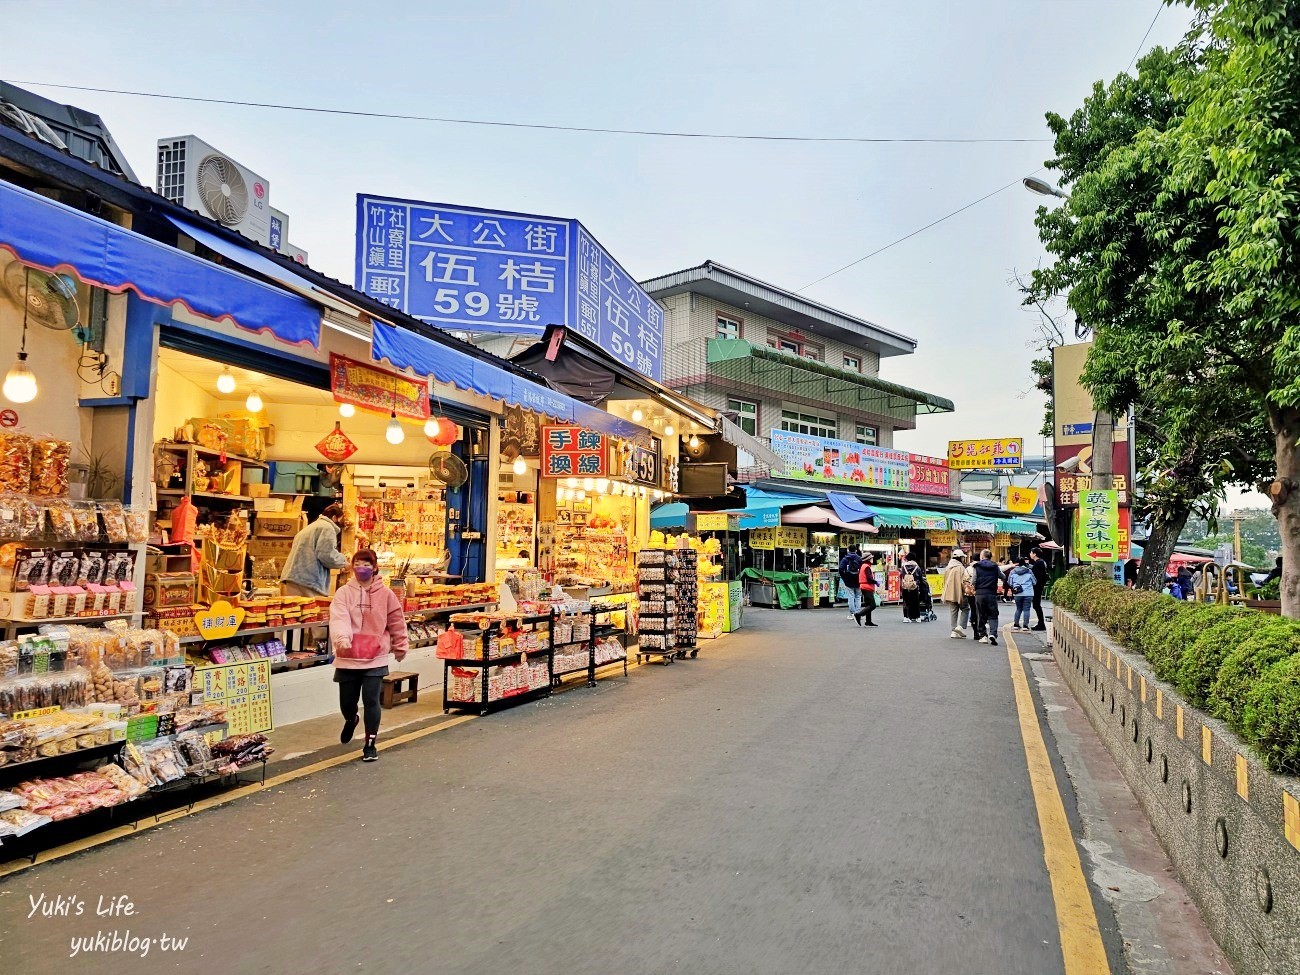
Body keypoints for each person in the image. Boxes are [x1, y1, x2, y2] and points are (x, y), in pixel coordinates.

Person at [329, 549, 409, 762]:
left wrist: (400, 646)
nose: (361, 568)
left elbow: (396, 621)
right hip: (348, 655)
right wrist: (342, 639)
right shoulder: (343, 593)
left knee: (372, 701)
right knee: (347, 702)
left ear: (375, 567)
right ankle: (350, 719)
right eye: (357, 563)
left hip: (375, 656)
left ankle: (370, 744)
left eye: (366, 564)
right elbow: (338, 618)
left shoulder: (386, 594)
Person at [281, 503, 351, 598]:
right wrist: (344, 562)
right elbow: (327, 555)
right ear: (334, 517)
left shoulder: (311, 527)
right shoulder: (327, 528)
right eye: (340, 519)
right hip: (308, 581)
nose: (341, 523)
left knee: (295, 611)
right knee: (312, 611)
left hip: (292, 578)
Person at [972, 549, 1005, 645]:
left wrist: (973, 587)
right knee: (993, 614)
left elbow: (973, 580)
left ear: (982, 557)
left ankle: (983, 636)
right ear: (990, 557)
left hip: (980, 594)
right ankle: (993, 633)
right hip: (991, 594)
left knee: (981, 614)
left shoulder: (977, 566)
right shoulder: (995, 567)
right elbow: (1003, 577)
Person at [942, 549, 969, 638]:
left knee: (953, 611)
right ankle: (960, 626)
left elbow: (945, 580)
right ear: (960, 558)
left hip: (950, 593)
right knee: (965, 609)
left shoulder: (948, 567)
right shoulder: (961, 568)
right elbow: (964, 581)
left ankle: (954, 631)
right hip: (960, 593)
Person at [1008, 557, 1037, 632]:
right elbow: (1034, 582)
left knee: (1018, 609)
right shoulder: (1029, 571)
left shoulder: (1013, 571)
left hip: (1017, 593)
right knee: (1026, 609)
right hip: (1028, 593)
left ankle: (1016, 625)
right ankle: (1025, 626)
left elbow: (1010, 583)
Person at [838, 546, 864, 625]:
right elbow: (863, 569)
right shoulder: (860, 559)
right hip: (858, 579)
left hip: (849, 579)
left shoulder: (846, 558)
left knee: (851, 596)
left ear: (848, 550)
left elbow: (840, 569)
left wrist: (845, 577)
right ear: (856, 550)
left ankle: (852, 614)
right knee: (858, 596)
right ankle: (858, 612)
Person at [899, 553, 924, 622]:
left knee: (906, 601)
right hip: (914, 586)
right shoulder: (917, 567)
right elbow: (920, 578)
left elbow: (901, 576)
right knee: (915, 601)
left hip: (905, 586)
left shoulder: (903, 567)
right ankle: (917, 617)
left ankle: (906, 617)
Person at [1029, 548, 1049, 631]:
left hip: (1037, 587)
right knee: (1036, 605)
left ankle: (1041, 624)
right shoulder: (1041, 562)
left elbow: (1035, 576)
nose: (1030, 554)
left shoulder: (1039, 563)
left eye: (1031, 552)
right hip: (1039, 586)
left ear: (1034, 554)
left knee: (1036, 605)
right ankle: (1041, 623)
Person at [858, 553, 879, 626]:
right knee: (873, 605)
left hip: (864, 587)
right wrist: (875, 582)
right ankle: (858, 615)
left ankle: (868, 621)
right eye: (871, 558)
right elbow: (869, 579)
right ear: (868, 559)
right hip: (867, 587)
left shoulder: (863, 566)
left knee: (868, 605)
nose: (872, 559)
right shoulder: (866, 567)